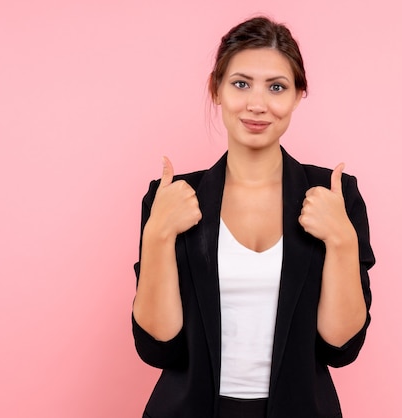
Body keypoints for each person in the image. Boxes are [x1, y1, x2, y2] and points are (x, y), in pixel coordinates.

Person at [132, 16, 375, 418]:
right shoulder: (171, 197)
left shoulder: (335, 196)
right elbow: (158, 346)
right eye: (241, 84)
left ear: (299, 95)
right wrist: (158, 234)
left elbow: (340, 347)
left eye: (276, 87)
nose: (257, 104)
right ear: (217, 90)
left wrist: (341, 240)